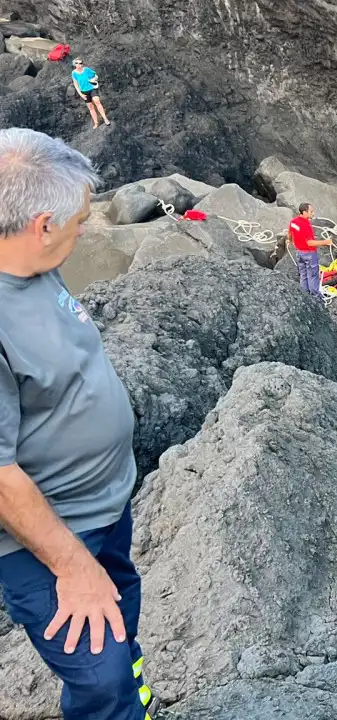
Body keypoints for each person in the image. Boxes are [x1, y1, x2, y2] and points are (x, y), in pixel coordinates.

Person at [0, 128, 152, 720]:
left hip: (106, 507)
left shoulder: (37, 266)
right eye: (78, 221)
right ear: (41, 224)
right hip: (49, 536)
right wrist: (72, 565)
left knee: (124, 623)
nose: (84, 229)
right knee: (101, 674)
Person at [288, 203, 332, 300]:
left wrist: (290, 241)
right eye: (311, 211)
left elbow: (290, 233)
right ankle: (316, 297)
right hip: (309, 253)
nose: (313, 213)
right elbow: (310, 243)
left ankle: (305, 295)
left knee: (303, 274)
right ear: (304, 212)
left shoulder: (293, 222)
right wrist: (326, 242)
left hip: (299, 252)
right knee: (313, 275)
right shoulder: (306, 225)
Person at [71, 58, 111, 129]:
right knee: (90, 107)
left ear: (82, 64)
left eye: (80, 63)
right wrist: (81, 94)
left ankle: (105, 118)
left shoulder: (86, 69)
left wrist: (93, 79)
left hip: (92, 88)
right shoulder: (74, 73)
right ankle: (96, 122)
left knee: (97, 101)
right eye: (77, 63)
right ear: (75, 64)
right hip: (84, 91)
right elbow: (76, 84)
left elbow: (95, 75)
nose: (79, 65)